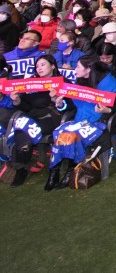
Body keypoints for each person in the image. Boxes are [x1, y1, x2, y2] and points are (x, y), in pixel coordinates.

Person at [47, 55, 116, 191]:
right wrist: (60, 103)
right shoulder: (80, 82)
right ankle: (54, 171)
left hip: (100, 124)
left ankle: (71, 171)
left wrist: (107, 109)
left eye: (78, 66)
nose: (75, 69)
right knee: (59, 132)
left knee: (71, 136)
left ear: (88, 69)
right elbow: (71, 106)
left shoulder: (108, 83)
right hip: (80, 121)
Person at [5, 54, 63, 187]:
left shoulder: (61, 82)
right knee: (21, 127)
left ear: (52, 66)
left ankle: (20, 167)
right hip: (32, 117)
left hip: (52, 118)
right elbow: (26, 106)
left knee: (23, 129)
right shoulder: (32, 83)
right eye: (37, 66)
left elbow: (70, 106)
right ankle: (22, 163)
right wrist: (17, 100)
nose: (39, 68)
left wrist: (56, 100)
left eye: (43, 65)